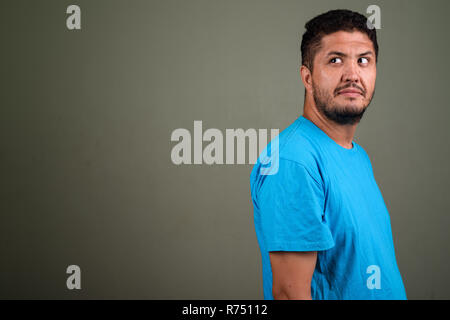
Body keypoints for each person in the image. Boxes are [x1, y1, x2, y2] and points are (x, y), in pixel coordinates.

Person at [249, 9, 407, 300]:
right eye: (335, 60)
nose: (352, 74)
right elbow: (288, 293)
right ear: (307, 78)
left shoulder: (357, 156)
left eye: (364, 60)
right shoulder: (293, 161)